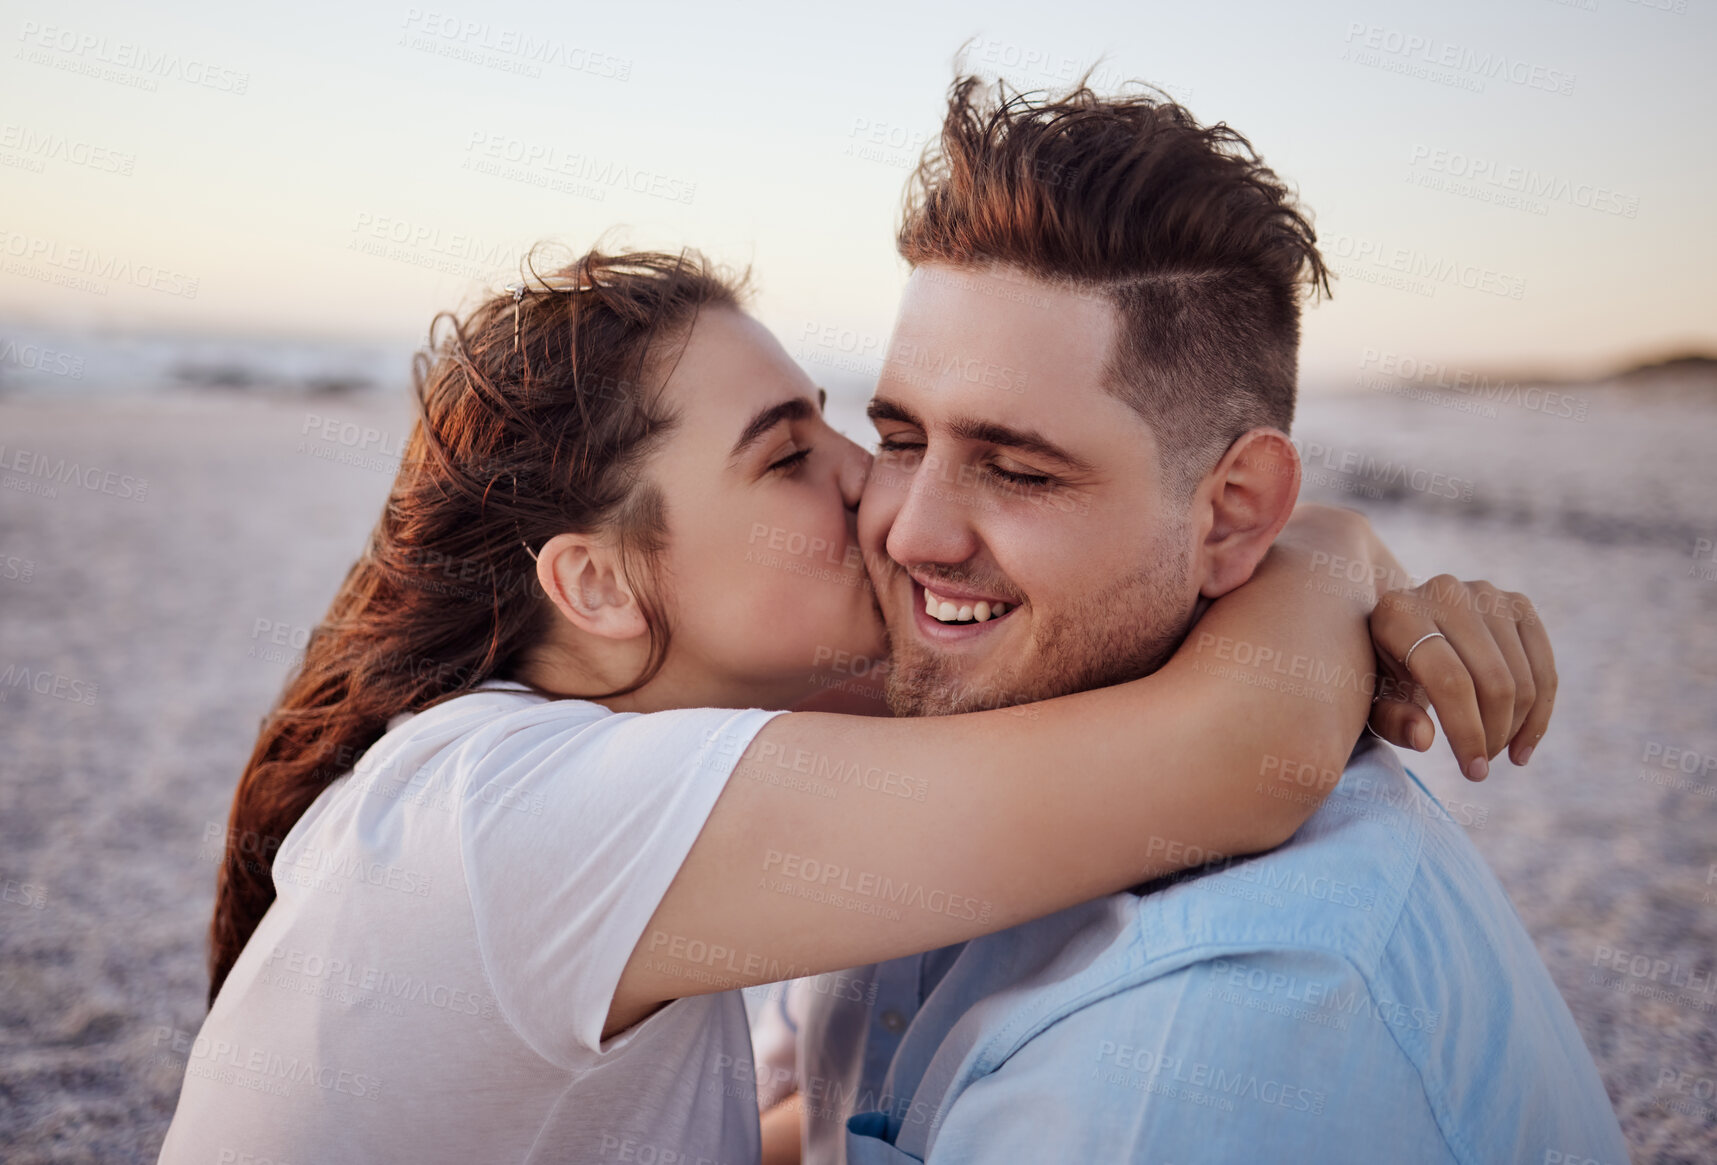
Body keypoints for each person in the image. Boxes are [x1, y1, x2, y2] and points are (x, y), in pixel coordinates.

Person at [159, 246, 1534, 1165]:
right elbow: (1239, 750)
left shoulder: (575, 764)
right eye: (784, 457)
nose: (872, 491)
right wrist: (1333, 553)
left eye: (840, 428)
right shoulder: (522, 820)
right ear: (599, 582)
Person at [755, 78, 1627, 1165]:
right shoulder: (949, 733)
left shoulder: (1175, 1061)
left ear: (1233, 514)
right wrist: (1336, 553)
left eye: (1019, 470)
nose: (910, 533)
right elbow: (824, 1122)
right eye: (897, 440)